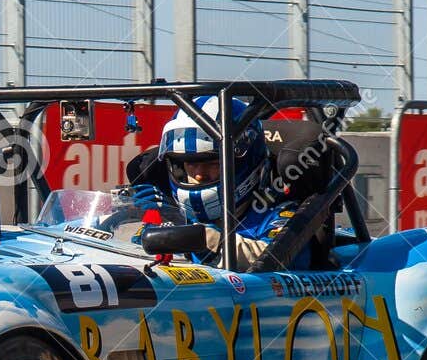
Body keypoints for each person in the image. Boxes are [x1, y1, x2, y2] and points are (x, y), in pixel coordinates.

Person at [128, 95, 302, 268]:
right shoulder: (174, 214)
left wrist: (202, 239)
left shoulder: (278, 213)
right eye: (190, 164)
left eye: (212, 164)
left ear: (243, 164)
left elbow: (278, 261)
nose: (198, 175)